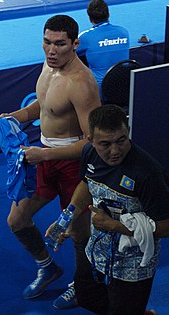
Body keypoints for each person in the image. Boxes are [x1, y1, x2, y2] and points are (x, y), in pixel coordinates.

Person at [0, 14, 101, 309]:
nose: (51, 50)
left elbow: (93, 143)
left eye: (60, 44)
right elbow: (43, 104)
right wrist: (18, 116)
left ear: (75, 44)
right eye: (47, 42)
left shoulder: (82, 84)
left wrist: (45, 154)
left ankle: (82, 286)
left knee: (80, 234)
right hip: (43, 157)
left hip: (71, 167)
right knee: (16, 220)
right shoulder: (49, 64)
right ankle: (48, 266)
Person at [46, 104, 169, 314]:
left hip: (133, 266)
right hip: (97, 251)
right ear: (90, 141)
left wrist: (116, 226)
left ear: (127, 132)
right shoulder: (89, 154)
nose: (115, 151)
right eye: (105, 144)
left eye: (121, 140)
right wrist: (67, 218)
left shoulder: (147, 173)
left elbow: (166, 227)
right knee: (86, 297)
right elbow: (86, 184)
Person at [77, 0, 130, 95]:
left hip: (99, 91)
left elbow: (69, 52)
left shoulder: (85, 37)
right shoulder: (124, 32)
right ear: (108, 14)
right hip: (124, 86)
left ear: (90, 19)